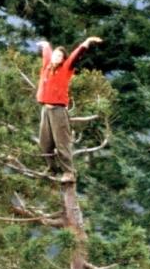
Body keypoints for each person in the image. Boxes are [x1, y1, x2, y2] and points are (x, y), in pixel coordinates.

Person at [36, 36, 102, 183]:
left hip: (58, 111)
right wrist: (46, 44)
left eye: (60, 56)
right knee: (45, 143)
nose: (56, 57)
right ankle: (52, 168)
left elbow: (75, 55)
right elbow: (47, 53)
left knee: (62, 143)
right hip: (45, 110)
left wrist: (87, 42)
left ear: (63, 59)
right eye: (55, 54)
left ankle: (68, 172)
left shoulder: (66, 69)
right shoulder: (46, 66)